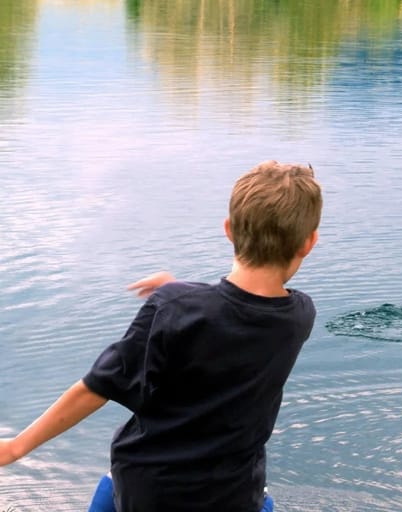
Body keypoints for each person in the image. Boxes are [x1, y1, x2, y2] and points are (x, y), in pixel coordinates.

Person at [0, 160, 323, 512]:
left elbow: (96, 389)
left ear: (229, 229)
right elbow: (237, 308)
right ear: (309, 242)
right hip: (235, 493)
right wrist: (179, 292)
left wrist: (17, 447)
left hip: (150, 491)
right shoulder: (300, 315)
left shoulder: (172, 308)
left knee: (113, 484)